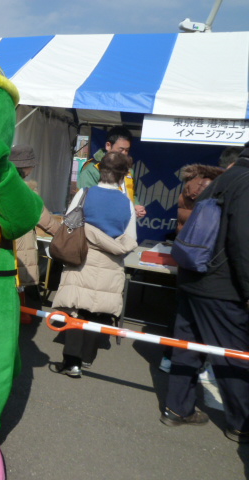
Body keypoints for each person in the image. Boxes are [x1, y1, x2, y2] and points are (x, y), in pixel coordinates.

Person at [160, 142, 249, 444]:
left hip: (192, 277)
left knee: (186, 346)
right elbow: (243, 243)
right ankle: (241, 422)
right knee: (233, 356)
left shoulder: (217, 182)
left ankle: (177, 408)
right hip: (221, 286)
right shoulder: (245, 183)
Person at [52, 151, 138, 377]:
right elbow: (130, 238)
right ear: (122, 176)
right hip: (111, 264)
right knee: (97, 313)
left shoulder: (84, 193)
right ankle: (87, 359)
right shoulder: (127, 204)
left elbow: (69, 224)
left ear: (100, 170)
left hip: (81, 258)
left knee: (75, 311)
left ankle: (71, 363)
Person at [10, 145, 60, 311]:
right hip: (21, 245)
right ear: (27, 168)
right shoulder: (27, 191)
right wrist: (64, 234)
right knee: (24, 286)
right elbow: (46, 220)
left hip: (2, 244)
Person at [77, 126, 147, 218]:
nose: (124, 153)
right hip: (98, 223)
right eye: (121, 149)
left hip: (125, 224)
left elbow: (132, 195)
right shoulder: (92, 169)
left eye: (127, 150)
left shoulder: (129, 171)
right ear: (108, 146)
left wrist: (136, 206)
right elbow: (85, 199)